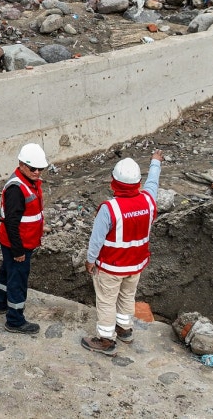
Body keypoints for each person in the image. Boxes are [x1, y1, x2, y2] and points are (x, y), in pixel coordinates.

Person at [82, 150, 163, 356]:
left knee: (107, 301)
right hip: (135, 265)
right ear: (137, 183)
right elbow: (152, 185)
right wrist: (155, 163)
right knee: (127, 296)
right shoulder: (148, 202)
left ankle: (106, 340)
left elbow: (96, 239)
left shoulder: (110, 208)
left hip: (111, 266)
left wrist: (91, 260)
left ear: (113, 182)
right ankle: (125, 330)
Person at [0, 143, 48, 334]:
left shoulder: (27, 181)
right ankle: (15, 320)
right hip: (19, 243)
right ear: (22, 165)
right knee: (18, 279)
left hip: (21, 240)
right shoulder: (17, 189)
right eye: (33, 168)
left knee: (8, 272)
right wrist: (18, 251)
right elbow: (11, 223)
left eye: (41, 169)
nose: (38, 172)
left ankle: (0, 303)